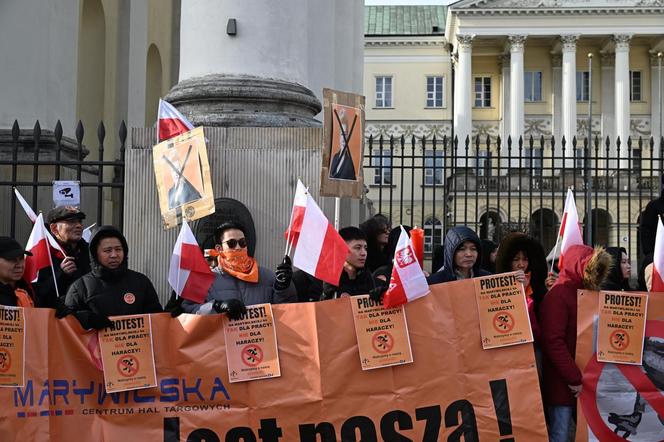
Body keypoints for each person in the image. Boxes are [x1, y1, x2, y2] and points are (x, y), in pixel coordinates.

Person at [539, 245, 611, 442]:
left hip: (580, 381)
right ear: (580, 267)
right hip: (564, 383)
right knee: (560, 434)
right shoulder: (559, 295)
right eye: (592, 268)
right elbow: (553, 342)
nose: (595, 274)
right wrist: (574, 378)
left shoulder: (583, 294)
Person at [181, 221, 296, 317]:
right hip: (221, 343)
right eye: (231, 243)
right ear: (219, 248)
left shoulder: (266, 276)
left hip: (261, 343)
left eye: (242, 243)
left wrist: (283, 287)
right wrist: (216, 306)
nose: (238, 247)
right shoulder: (204, 280)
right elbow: (189, 310)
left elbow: (287, 311)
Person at [64, 226, 163, 329]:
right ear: (95, 254)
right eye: (107, 251)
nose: (114, 255)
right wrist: (84, 319)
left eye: (118, 249)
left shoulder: (141, 282)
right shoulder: (80, 287)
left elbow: (157, 319)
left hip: (137, 344)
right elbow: (66, 325)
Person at [495, 233, 551, 341]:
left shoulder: (537, 284)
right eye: (516, 259)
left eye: (525, 259)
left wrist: (526, 288)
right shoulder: (496, 282)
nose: (521, 264)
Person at [34, 206, 91, 308]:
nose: (78, 226)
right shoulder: (43, 253)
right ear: (54, 228)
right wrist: (61, 274)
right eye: (71, 222)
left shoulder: (90, 252)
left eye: (80, 221)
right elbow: (37, 294)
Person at [321, 227, 378, 299]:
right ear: (342, 249)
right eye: (358, 248)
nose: (363, 253)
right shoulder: (329, 277)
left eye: (365, 248)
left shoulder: (366, 276)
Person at [0, 237, 35, 307]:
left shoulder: (30, 290)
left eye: (21, 258)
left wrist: (53, 311)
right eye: (11, 259)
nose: (19, 265)